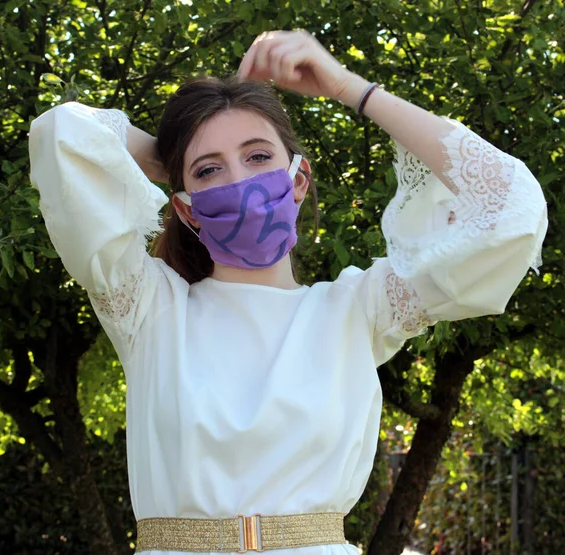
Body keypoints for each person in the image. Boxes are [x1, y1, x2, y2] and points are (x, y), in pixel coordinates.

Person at [28, 30, 547, 554]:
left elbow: (512, 213)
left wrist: (351, 88)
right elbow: (64, 133)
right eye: (211, 171)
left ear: (298, 182)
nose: (240, 184)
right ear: (186, 209)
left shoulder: (358, 310)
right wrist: (173, 159)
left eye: (257, 157)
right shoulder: (148, 307)